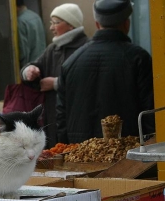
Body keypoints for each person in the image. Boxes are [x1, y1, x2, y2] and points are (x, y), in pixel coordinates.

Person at [56, 0, 155, 144]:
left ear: (97, 25)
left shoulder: (71, 62)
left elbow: (61, 118)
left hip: (81, 156)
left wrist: (67, 153)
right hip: (128, 157)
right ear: (127, 24)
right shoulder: (139, 59)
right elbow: (150, 114)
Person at [20, 3, 88, 148]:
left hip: (79, 120)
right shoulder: (52, 49)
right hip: (53, 119)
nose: (51, 28)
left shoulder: (86, 48)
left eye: (56, 23)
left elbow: (89, 82)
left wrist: (57, 83)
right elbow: (36, 66)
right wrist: (29, 71)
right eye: (51, 23)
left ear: (71, 25)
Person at [16, 0, 46, 68]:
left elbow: (23, 51)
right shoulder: (35, 15)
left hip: (30, 67)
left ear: (16, 7)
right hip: (42, 62)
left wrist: (22, 70)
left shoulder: (20, 21)